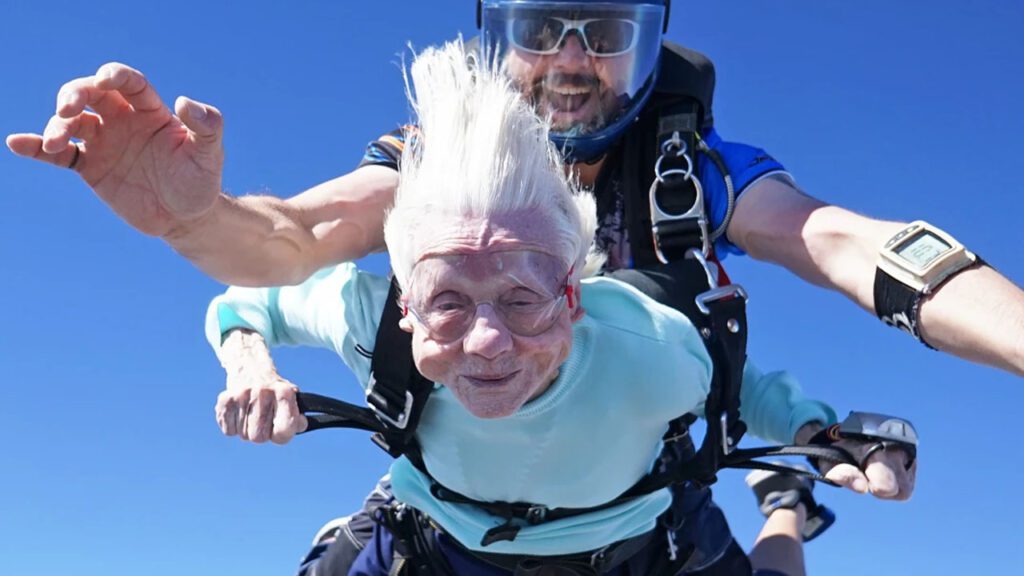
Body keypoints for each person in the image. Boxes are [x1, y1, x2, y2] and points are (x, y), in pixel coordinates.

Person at [6, 0, 1022, 377]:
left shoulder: (687, 170)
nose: (571, 59)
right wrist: (193, 219)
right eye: (540, 29)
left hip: (649, 515)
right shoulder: (434, 156)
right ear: (497, 41)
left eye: (604, 32)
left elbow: (845, 240)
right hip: (451, 515)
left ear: (647, 48)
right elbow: (295, 238)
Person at [204, 40, 916, 575]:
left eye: (522, 300)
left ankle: (784, 504)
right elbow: (244, 302)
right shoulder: (371, 318)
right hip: (436, 534)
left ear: (575, 300)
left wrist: (817, 436)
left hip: (640, 539)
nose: (487, 342)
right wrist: (249, 367)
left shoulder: (647, 344)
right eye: (448, 301)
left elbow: (739, 384)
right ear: (405, 309)